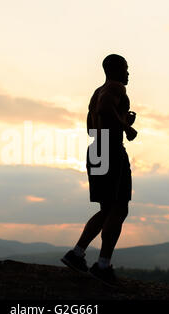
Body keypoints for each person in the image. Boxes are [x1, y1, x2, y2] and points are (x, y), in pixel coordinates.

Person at [61, 54, 137, 287]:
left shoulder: (97, 92)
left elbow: (91, 125)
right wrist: (126, 128)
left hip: (96, 148)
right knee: (120, 207)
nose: (128, 73)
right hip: (111, 149)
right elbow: (105, 109)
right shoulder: (115, 87)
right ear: (114, 70)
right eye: (125, 68)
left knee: (108, 209)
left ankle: (77, 254)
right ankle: (102, 266)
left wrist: (122, 120)